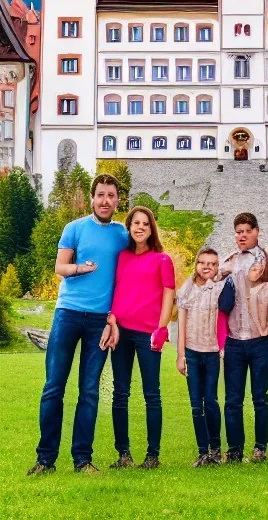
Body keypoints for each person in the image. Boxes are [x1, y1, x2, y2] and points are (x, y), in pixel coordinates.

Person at [28, 174, 129, 475]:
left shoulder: (122, 235)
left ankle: (82, 459)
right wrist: (79, 269)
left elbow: (126, 278)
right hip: (68, 313)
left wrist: (113, 318)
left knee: (89, 391)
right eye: (101, 194)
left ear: (117, 200)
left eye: (111, 195)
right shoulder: (74, 228)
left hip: (100, 320)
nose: (106, 200)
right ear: (92, 197)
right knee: (53, 388)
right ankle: (45, 460)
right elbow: (59, 266)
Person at [108, 205, 176, 470]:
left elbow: (168, 294)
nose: (139, 228)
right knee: (120, 393)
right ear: (129, 227)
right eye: (135, 223)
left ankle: (152, 455)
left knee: (152, 394)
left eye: (145, 224)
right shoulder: (121, 257)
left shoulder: (162, 259)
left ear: (151, 229)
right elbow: (115, 289)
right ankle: (123, 454)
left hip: (149, 334)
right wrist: (111, 318)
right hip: (121, 332)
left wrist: (161, 328)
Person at [218, 251, 268, 463]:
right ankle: (235, 449)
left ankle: (260, 448)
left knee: (260, 398)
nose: (254, 270)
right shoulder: (230, 282)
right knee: (233, 400)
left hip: (259, 344)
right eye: (251, 267)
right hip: (235, 343)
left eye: (258, 267)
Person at [176, 247, 227, 467]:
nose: (208, 267)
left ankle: (216, 450)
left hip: (212, 351)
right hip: (192, 352)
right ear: (196, 264)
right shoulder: (186, 290)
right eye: (203, 263)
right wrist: (180, 355)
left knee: (211, 400)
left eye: (213, 264)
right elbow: (181, 324)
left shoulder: (219, 288)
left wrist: (222, 273)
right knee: (196, 404)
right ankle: (202, 451)